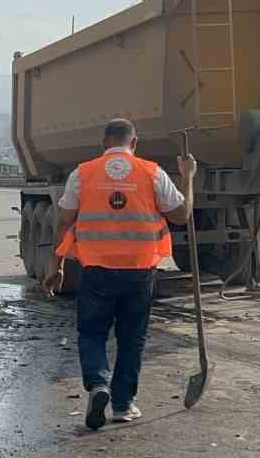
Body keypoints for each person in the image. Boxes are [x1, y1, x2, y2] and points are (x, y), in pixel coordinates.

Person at [43, 118, 193, 430]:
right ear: (134, 143)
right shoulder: (151, 172)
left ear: (104, 144)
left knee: (93, 332)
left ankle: (99, 384)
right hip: (139, 271)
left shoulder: (83, 173)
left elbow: (64, 221)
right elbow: (181, 214)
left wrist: (55, 265)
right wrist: (188, 177)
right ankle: (123, 405)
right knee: (131, 338)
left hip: (96, 270)